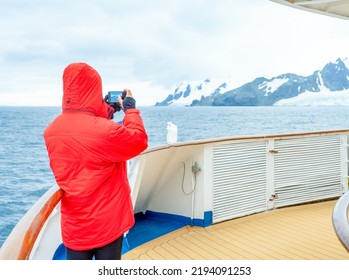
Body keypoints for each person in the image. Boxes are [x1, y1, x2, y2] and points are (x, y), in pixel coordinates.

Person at [43, 62, 148, 260]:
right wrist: (130, 110)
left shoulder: (51, 131)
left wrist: (108, 110)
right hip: (107, 224)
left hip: (75, 227)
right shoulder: (105, 131)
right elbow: (138, 140)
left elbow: (83, 126)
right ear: (94, 90)